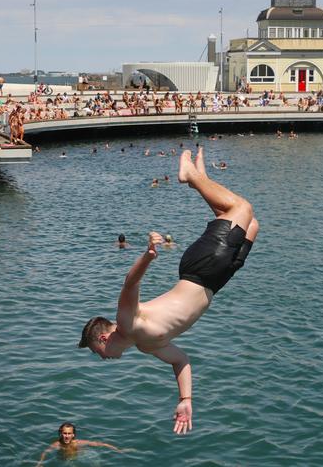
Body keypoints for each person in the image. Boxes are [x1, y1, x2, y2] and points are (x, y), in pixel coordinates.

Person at [78, 148, 258, 435]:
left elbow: (130, 283)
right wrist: (185, 399)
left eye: (98, 352)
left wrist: (148, 255)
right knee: (251, 224)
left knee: (242, 209)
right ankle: (201, 178)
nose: (103, 358)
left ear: (102, 337)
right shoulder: (147, 345)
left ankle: (192, 176)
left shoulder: (127, 323)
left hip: (200, 269)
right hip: (217, 281)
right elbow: (181, 360)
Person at [35, 422, 122, 466]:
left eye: (69, 434)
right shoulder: (57, 444)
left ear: (73, 435)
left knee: (96, 464)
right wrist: (40, 463)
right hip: (67, 459)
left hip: (82, 455)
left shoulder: (78, 442)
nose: (67, 436)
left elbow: (99, 444)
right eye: (65, 433)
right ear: (61, 434)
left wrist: (118, 450)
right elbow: (45, 452)